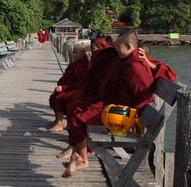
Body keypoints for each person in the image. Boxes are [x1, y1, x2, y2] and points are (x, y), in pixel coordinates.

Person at [62, 31, 154, 178]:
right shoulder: (124, 60)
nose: (115, 48)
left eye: (118, 46)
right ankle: (78, 155)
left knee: (79, 117)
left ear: (129, 46)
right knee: (74, 106)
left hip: (122, 116)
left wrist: (132, 117)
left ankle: (81, 158)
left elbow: (144, 96)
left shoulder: (136, 67)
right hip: (112, 105)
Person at [48, 45, 88, 132]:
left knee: (60, 98)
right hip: (69, 87)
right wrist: (60, 85)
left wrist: (64, 87)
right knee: (54, 96)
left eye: (76, 53)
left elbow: (79, 83)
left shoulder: (84, 66)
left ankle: (59, 124)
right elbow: (66, 77)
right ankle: (57, 121)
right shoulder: (74, 64)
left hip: (77, 89)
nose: (74, 54)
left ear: (83, 54)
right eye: (73, 52)